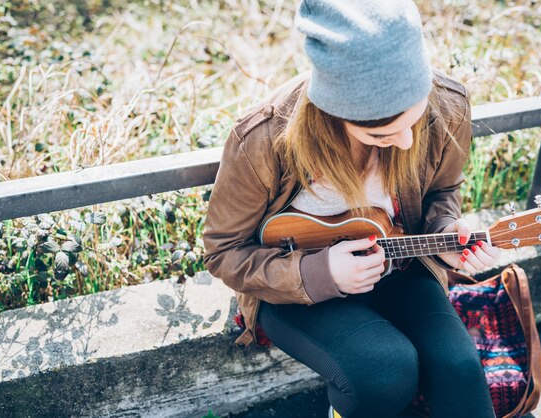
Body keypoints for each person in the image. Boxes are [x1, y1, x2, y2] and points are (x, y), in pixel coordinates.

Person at [203, 0, 502, 417]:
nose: (405, 143)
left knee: (461, 368)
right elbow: (224, 251)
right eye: (380, 134)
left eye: (412, 122)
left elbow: (442, 191)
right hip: (293, 285)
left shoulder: (448, 105)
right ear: (333, 112)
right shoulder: (263, 138)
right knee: (384, 370)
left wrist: (445, 232)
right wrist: (320, 273)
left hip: (399, 266)